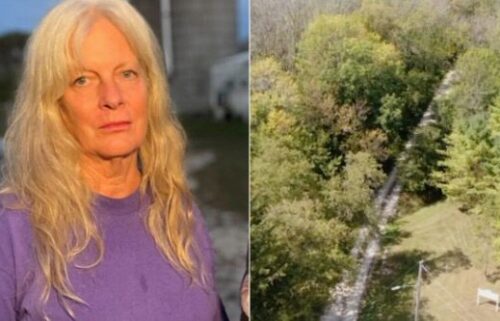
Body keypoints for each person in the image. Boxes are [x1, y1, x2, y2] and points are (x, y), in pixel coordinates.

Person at [0, 0, 226, 320]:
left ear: (151, 87)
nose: (112, 97)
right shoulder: (13, 228)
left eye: (127, 73)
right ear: (53, 104)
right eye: (83, 79)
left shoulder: (179, 214)